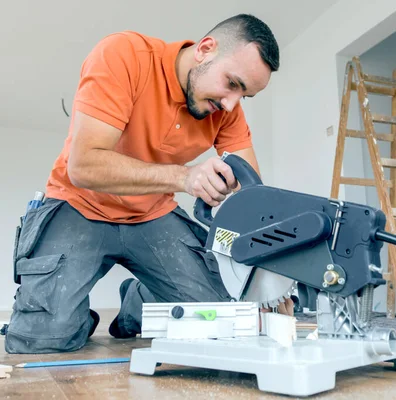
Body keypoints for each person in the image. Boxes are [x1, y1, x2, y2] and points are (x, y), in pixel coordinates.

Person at [5, 14, 293, 354]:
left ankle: (138, 304)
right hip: (79, 204)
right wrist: (185, 177)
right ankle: (70, 315)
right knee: (42, 338)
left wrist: (267, 282)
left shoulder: (225, 108)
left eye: (245, 95)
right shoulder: (124, 55)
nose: (232, 103)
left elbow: (252, 198)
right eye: (232, 83)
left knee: (222, 319)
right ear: (205, 49)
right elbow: (84, 165)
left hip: (152, 215)